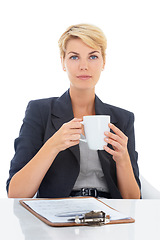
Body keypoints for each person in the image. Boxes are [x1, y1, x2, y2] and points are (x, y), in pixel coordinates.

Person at [6, 24, 141, 199]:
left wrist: (123, 160)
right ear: (63, 62)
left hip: (108, 215)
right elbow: (16, 193)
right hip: (57, 213)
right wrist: (53, 145)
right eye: (74, 57)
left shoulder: (123, 119)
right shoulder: (39, 111)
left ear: (103, 63)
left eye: (93, 56)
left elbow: (134, 202)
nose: (84, 66)